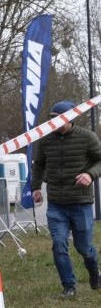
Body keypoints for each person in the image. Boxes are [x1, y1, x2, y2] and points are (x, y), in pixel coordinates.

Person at [30, 101, 101, 298]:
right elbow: (38, 165)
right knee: (59, 244)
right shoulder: (44, 140)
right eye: (51, 118)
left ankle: (94, 272)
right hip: (56, 204)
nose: (53, 122)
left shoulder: (87, 137)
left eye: (57, 118)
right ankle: (69, 285)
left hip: (81, 202)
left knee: (84, 248)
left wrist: (90, 174)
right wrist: (36, 187)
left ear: (70, 118)